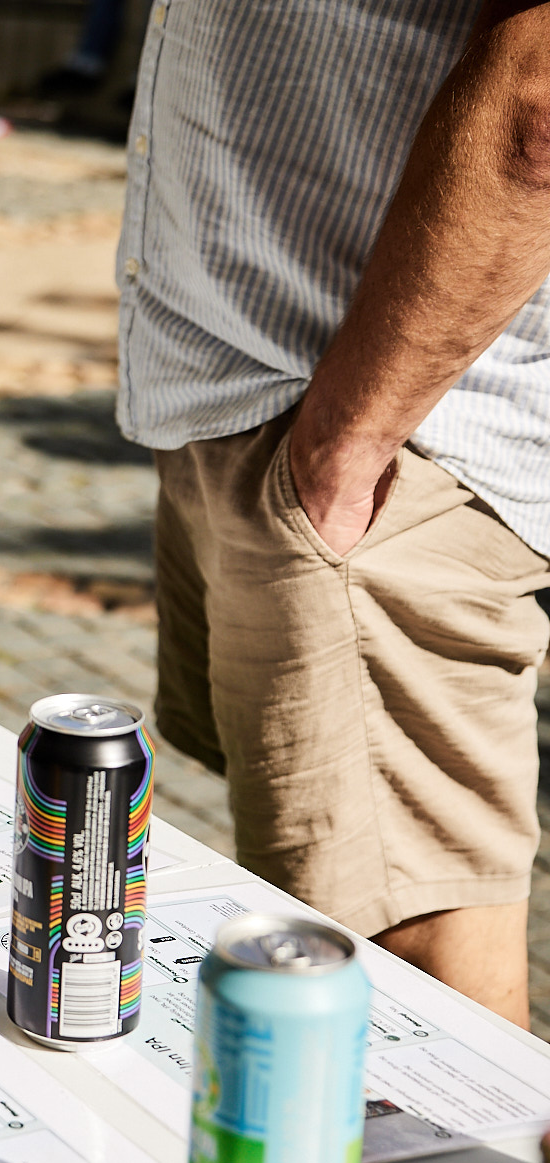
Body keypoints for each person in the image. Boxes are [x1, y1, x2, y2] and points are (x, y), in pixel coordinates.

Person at [122, 0, 550, 1025]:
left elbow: (536, 103)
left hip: (377, 447)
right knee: (317, 900)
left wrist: (345, 444)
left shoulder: (349, 463)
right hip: (245, 398)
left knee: (407, 980)